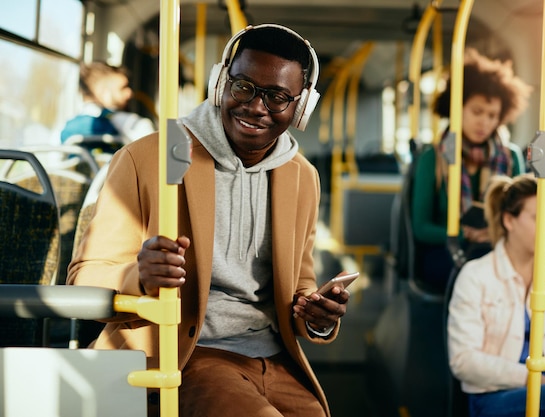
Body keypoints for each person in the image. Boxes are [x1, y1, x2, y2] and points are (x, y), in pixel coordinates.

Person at [67, 24, 349, 417]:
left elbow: (298, 282)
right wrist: (141, 277)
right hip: (188, 354)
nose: (255, 106)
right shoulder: (146, 158)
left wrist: (314, 313)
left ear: (300, 109)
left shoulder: (302, 177)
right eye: (243, 87)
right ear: (220, 84)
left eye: (278, 97)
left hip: (276, 358)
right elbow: (84, 282)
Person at [447, 174, 545, 417]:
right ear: (509, 220)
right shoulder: (476, 275)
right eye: (540, 220)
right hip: (494, 395)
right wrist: (536, 378)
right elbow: (464, 360)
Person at [411, 48, 532, 292]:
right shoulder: (432, 159)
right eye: (477, 112)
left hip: (498, 248)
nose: (484, 123)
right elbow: (420, 226)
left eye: (492, 115)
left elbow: (521, 214)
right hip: (446, 252)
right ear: (457, 109)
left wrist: (493, 234)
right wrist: (463, 234)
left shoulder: (510, 158)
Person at [60, 61, 155, 145]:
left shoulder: (66, 129)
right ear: (103, 92)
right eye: (123, 88)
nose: (129, 93)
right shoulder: (132, 124)